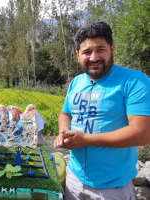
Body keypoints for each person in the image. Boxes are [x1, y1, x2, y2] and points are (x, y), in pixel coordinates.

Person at [54, 22, 150, 199]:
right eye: (87, 52)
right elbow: (65, 114)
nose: (94, 57)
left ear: (112, 49)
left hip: (111, 187)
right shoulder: (77, 82)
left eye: (101, 49)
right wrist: (63, 132)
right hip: (74, 178)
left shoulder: (134, 81)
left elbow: (143, 133)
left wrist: (87, 140)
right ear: (77, 55)